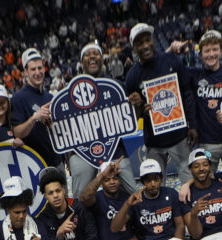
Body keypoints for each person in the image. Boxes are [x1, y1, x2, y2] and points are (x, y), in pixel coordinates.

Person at [125, 23, 197, 184]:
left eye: (147, 40)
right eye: (139, 43)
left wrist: (192, 124)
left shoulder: (171, 60)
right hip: (154, 143)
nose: (145, 46)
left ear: (152, 40)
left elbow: (187, 92)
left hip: (180, 137)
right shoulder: (131, 77)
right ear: (134, 48)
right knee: (156, 188)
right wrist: (140, 109)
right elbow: (133, 117)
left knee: (191, 184)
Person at [68, 42, 138, 197]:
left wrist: (136, 105)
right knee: (80, 197)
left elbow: (133, 118)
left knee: (133, 194)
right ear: (81, 62)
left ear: (103, 59)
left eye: (96, 53)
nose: (92, 57)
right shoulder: (70, 91)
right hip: (82, 151)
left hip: (114, 148)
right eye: (87, 54)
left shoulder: (117, 86)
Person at [188, 30, 222, 170]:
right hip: (206, 142)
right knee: (207, 179)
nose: (211, 54)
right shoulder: (194, 74)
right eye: (207, 51)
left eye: (215, 49)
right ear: (200, 54)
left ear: (221, 51)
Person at [11, 48, 62, 170]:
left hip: (57, 163)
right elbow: (17, 133)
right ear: (25, 72)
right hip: (34, 166)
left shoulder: (50, 97)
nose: (37, 72)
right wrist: (34, 118)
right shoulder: (18, 98)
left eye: (40, 68)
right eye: (33, 69)